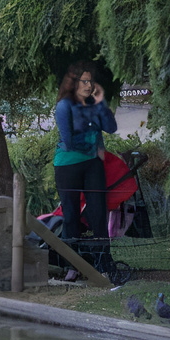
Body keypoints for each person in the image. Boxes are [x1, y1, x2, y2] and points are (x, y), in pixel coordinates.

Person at [53, 62, 118, 241]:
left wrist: (102, 103)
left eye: (91, 82)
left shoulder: (94, 104)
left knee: (98, 213)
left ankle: (104, 264)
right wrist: (94, 146)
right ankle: (72, 266)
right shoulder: (64, 106)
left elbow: (111, 128)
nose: (89, 86)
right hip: (68, 165)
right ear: (73, 83)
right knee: (71, 216)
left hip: (92, 163)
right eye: (84, 81)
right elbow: (69, 141)